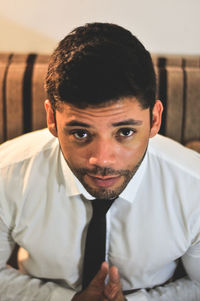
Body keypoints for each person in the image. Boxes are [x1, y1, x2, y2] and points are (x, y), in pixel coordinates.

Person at [0, 22, 200, 301]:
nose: (102, 159)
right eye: (81, 133)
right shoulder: (6, 174)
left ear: (154, 119)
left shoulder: (194, 187)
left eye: (125, 132)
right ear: (51, 119)